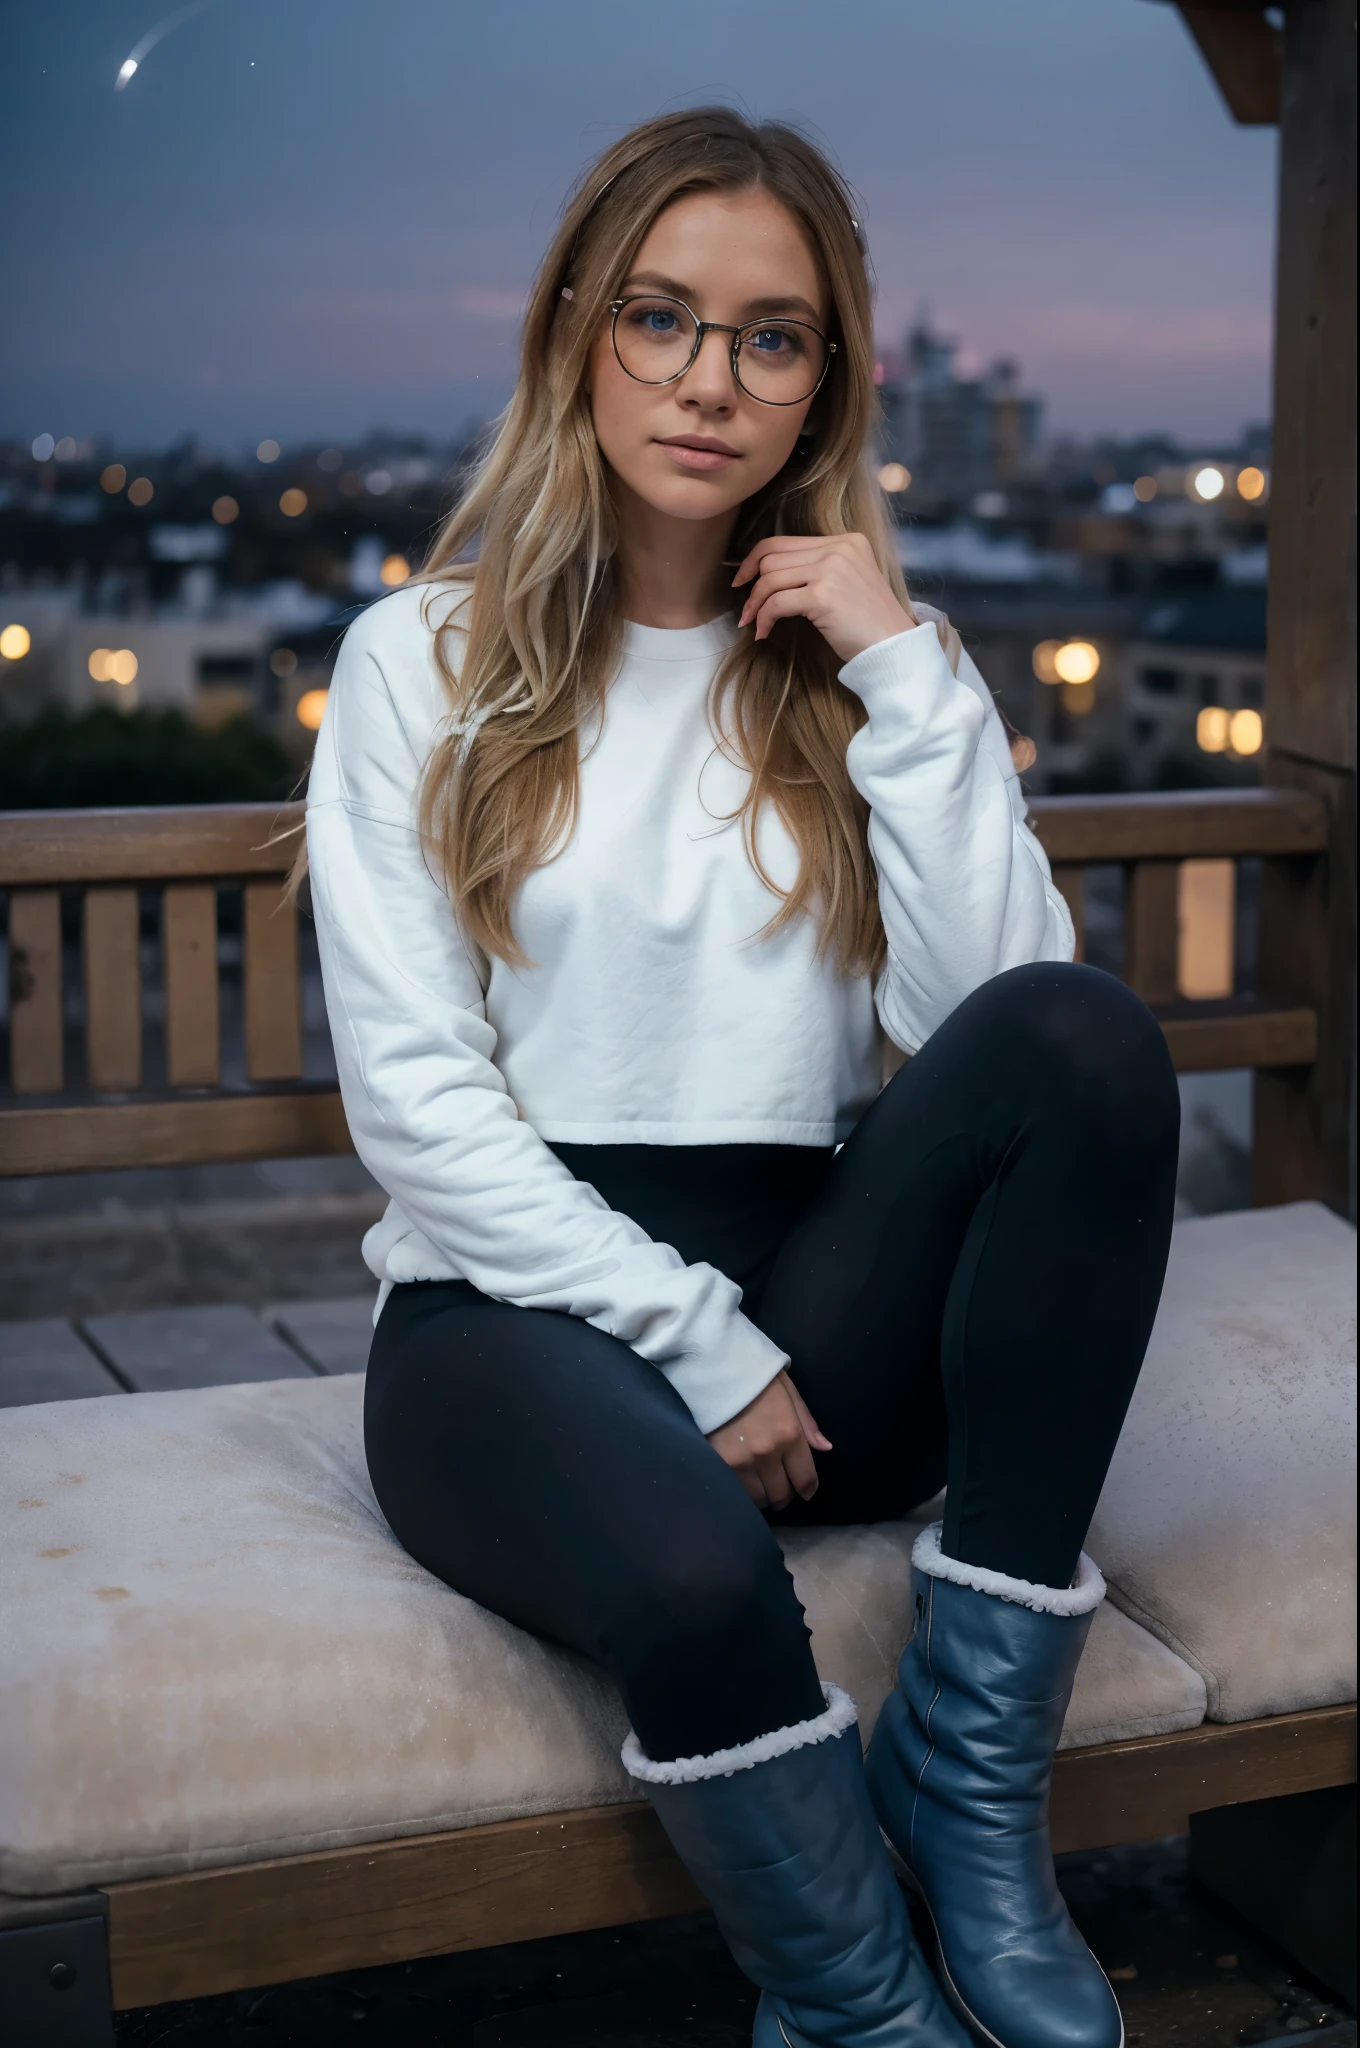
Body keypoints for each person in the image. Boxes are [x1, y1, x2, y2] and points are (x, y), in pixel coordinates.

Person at [305, 108, 1180, 2048]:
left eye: (768, 336)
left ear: (824, 381)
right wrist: (694, 1344)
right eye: (660, 317)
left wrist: (903, 669)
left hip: (809, 1326)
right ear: (570, 335)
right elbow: (420, 1113)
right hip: (504, 1320)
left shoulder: (845, 671)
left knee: (1093, 1033)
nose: (709, 378)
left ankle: (965, 1807)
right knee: (703, 1586)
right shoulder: (415, 662)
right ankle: (855, 2004)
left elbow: (1013, 1026)